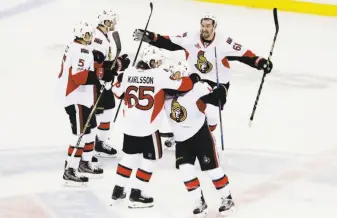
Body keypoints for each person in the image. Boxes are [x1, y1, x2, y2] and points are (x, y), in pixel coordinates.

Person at [133, 13, 273, 148]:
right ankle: (184, 134)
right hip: (195, 80)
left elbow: (244, 55)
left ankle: (207, 137)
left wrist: (259, 62)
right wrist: (151, 37)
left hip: (218, 84)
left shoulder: (224, 42)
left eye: (208, 26)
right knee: (180, 106)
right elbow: (169, 42)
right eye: (203, 25)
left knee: (212, 115)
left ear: (214, 27)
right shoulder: (190, 38)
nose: (205, 29)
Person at [110, 46, 200, 208]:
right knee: (151, 159)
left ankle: (118, 189)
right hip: (148, 128)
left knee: (129, 157)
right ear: (149, 61)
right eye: (156, 62)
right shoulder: (159, 75)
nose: (159, 64)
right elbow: (183, 85)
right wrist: (193, 78)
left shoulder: (128, 73)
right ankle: (136, 194)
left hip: (129, 125)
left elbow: (117, 92)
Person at [55, 21, 117, 185]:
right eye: (89, 34)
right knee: (80, 135)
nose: (91, 37)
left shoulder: (76, 47)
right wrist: (102, 75)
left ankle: (84, 163)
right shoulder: (82, 51)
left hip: (82, 98)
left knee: (90, 131)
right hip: (76, 99)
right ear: (84, 35)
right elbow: (79, 77)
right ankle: (70, 169)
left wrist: (100, 67)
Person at [91, 9, 130, 158]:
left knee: (108, 112)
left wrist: (119, 63)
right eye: (112, 21)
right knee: (97, 115)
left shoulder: (106, 35)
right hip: (96, 84)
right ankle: (89, 147)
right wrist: (115, 66)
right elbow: (97, 64)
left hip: (105, 83)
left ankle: (100, 143)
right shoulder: (97, 39)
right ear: (106, 22)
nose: (114, 23)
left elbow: (109, 60)